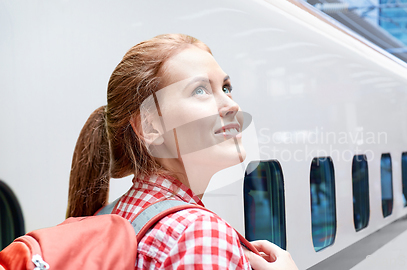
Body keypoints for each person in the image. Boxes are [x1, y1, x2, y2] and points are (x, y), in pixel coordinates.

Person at [66, 34, 298, 270]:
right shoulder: (202, 235)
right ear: (151, 126)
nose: (232, 105)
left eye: (226, 88)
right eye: (200, 90)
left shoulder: (110, 215)